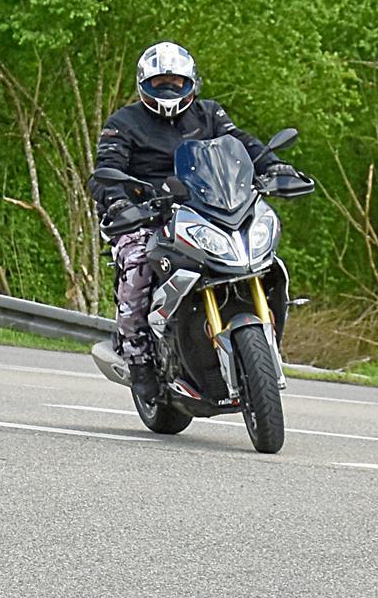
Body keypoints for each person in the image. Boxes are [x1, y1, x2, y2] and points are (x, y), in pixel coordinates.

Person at [89, 41, 299, 403]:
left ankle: (262, 338)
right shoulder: (123, 123)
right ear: (144, 85)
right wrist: (119, 201)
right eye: (160, 83)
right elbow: (105, 170)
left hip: (209, 209)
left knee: (265, 258)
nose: (169, 90)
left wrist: (273, 167)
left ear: (191, 83)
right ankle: (138, 358)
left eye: (176, 82)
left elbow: (241, 145)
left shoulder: (209, 115)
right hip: (148, 215)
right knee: (138, 266)